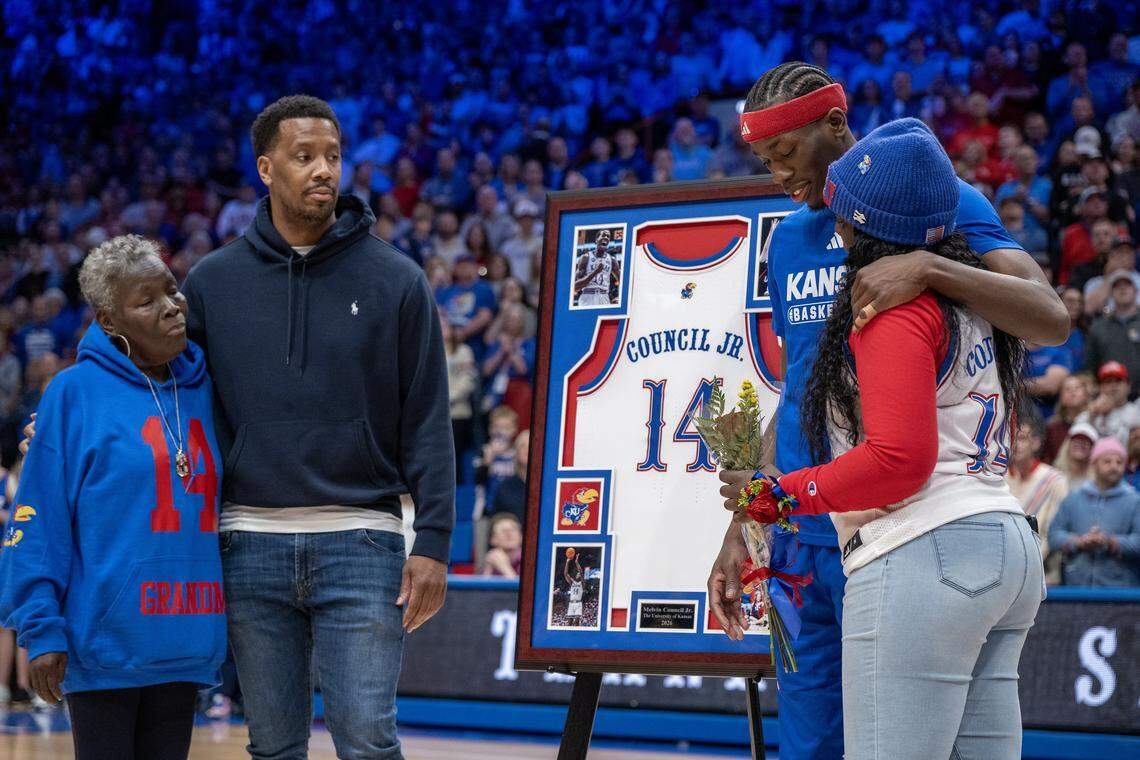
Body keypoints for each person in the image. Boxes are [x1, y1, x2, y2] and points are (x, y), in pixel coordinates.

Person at [709, 64, 1065, 760]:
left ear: (835, 126)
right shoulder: (785, 240)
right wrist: (746, 521)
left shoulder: (934, 199)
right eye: (764, 161)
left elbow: (1049, 318)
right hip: (808, 526)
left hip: (903, 522)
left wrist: (931, 269)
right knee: (809, 749)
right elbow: (803, 390)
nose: (778, 174)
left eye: (785, 155)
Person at [181, 96, 453, 760]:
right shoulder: (211, 284)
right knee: (272, 747)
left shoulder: (397, 280)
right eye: (303, 157)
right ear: (267, 169)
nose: (322, 170)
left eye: (331, 156)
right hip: (248, 543)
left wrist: (436, 542)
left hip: (362, 542)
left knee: (367, 741)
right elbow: (170, 403)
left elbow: (428, 416)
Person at [0, 235, 226, 760]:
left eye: (171, 291)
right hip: (104, 648)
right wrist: (42, 629)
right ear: (109, 323)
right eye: (145, 302)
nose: (171, 306)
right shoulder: (72, 392)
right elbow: (37, 521)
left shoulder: (207, 387)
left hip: (186, 641)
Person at [1049, 437, 1140, 587]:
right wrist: (1080, 542)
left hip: (1121, 592)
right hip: (1075, 590)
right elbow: (1054, 536)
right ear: (1094, 464)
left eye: (1119, 462)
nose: (1114, 466)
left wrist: (1111, 542)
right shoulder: (1074, 499)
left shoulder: (1135, 501)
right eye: (1107, 461)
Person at [1008, 414, 1069, 584]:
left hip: (1042, 571)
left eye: (1021, 438)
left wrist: (1028, 562)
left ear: (1035, 443)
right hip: (1004, 568)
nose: (1014, 444)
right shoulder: (997, 478)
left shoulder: (1055, 480)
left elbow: (1054, 529)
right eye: (1011, 437)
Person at [1085, 272, 1140, 393]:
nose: (1122, 288)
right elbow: (1090, 365)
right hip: (1108, 396)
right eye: (1117, 286)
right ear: (1110, 294)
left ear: (1136, 290)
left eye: (1127, 284)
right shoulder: (1098, 327)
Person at [1044, 373, 1092, 462]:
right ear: (1061, 398)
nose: (1072, 392)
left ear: (1086, 395)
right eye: (1067, 389)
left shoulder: (1094, 421)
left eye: (1077, 388)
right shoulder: (1052, 427)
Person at [1055, 422, 1099, 490]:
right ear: (1067, 445)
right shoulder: (1054, 476)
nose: (1080, 444)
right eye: (1076, 440)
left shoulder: (1097, 482)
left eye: (1086, 441)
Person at [481, 513, 523, 578]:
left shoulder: (531, 560)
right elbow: (482, 587)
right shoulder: (492, 559)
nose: (509, 534)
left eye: (513, 529)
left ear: (521, 536)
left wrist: (504, 567)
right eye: (503, 531)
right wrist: (488, 569)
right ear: (493, 539)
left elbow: (524, 588)